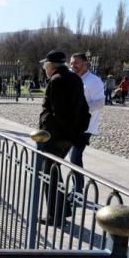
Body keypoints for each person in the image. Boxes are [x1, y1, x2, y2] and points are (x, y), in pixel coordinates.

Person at [37, 50, 90, 226]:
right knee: (54, 170)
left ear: (50, 66)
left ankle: (55, 215)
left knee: (49, 173)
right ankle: (62, 210)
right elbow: (84, 109)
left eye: (46, 66)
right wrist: (77, 133)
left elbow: (59, 113)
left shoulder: (57, 80)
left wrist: (49, 131)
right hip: (68, 135)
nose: (45, 69)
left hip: (55, 136)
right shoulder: (75, 78)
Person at [68, 53, 105, 204]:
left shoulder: (94, 81)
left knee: (75, 157)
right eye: (71, 63)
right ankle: (77, 190)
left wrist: (80, 109)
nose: (73, 66)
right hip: (71, 125)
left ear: (85, 63)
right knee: (73, 157)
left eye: (76, 63)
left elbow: (100, 103)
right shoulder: (72, 78)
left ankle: (77, 192)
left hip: (85, 126)